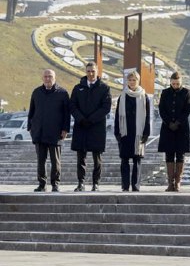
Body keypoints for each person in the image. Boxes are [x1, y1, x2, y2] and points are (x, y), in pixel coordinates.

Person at [69, 62, 111, 192]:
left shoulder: (104, 88)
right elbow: (72, 106)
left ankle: (95, 183)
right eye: (88, 71)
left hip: (96, 127)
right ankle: (81, 183)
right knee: (80, 157)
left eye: (93, 71)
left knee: (97, 158)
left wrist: (91, 119)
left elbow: (106, 107)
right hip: (81, 126)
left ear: (97, 72)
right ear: (85, 72)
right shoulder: (77, 88)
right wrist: (81, 119)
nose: (90, 74)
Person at [28, 69, 70, 192]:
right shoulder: (36, 92)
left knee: (55, 161)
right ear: (42, 78)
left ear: (54, 77)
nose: (47, 79)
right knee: (41, 160)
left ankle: (55, 184)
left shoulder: (62, 93)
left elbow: (67, 114)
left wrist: (65, 129)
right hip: (39, 132)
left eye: (50, 76)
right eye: (45, 76)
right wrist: (30, 127)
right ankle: (42, 184)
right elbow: (32, 111)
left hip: (55, 133)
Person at [114, 71, 151, 192]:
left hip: (138, 133)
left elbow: (148, 116)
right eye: (130, 80)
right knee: (124, 160)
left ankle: (136, 185)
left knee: (137, 160)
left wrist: (146, 132)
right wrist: (117, 132)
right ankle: (125, 186)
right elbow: (117, 116)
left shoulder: (144, 96)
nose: (132, 82)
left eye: (134, 80)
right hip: (125, 132)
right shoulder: (122, 96)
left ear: (138, 81)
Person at [157, 71, 190, 192]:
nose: (175, 85)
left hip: (181, 128)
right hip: (167, 128)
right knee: (169, 154)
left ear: (181, 82)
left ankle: (177, 182)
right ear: (170, 82)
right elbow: (161, 109)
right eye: (173, 83)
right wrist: (169, 122)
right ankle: (170, 183)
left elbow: (187, 110)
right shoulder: (165, 92)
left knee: (180, 155)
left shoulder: (186, 92)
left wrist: (177, 123)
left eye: (177, 83)